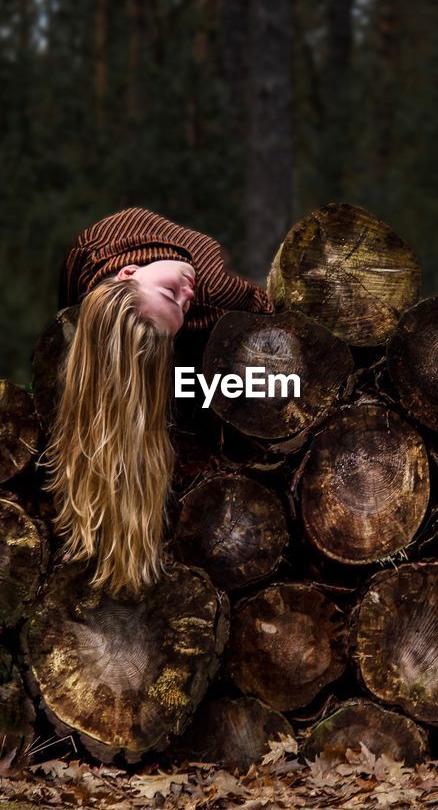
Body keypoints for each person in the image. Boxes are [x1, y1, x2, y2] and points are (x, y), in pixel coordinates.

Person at [41, 206, 273, 598]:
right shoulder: (166, 292)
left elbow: (264, 309)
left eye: (173, 295)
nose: (188, 294)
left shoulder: (196, 274)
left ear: (129, 271)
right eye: (179, 304)